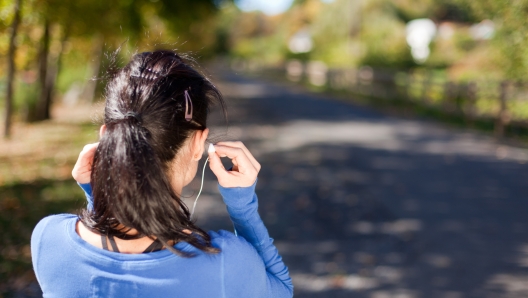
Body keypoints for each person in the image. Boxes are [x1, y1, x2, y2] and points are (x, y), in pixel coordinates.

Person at [30, 50, 293, 297]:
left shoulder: (48, 239)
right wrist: (243, 207)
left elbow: (104, 258)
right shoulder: (226, 261)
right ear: (198, 143)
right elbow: (281, 288)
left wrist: (97, 194)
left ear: (106, 137)